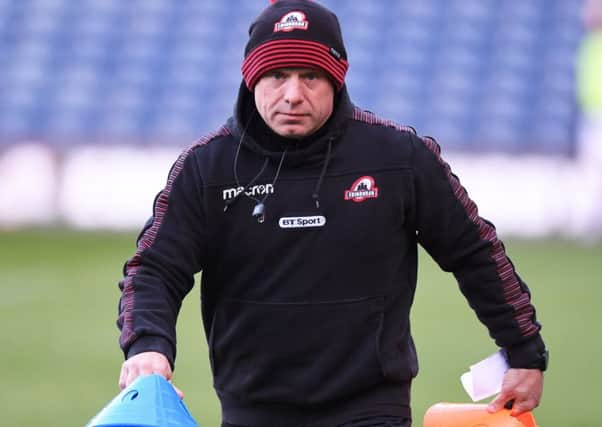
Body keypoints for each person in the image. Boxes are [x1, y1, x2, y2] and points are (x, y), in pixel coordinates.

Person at [116, 1, 548, 426]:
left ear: (336, 80)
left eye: (310, 77)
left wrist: (524, 351)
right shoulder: (206, 168)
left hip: (372, 409)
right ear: (251, 79)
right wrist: (148, 346)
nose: (292, 95)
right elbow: (155, 269)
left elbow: (474, 252)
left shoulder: (398, 158)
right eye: (277, 75)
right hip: (253, 412)